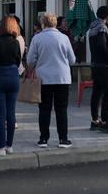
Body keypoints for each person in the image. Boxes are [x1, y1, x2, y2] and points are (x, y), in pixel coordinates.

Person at [26, 13, 76, 149]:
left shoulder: (37, 38)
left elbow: (30, 60)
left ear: (43, 23)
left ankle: (43, 138)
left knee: (44, 109)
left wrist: (32, 69)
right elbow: (72, 60)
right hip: (62, 78)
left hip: (43, 78)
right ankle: (63, 139)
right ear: (55, 23)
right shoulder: (64, 38)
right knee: (61, 109)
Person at [0, 16, 22, 156]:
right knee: (11, 111)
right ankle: (10, 145)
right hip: (13, 74)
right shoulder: (15, 42)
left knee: (1, 113)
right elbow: (18, 60)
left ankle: (1, 147)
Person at [88, 6, 108, 134]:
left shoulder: (92, 28)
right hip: (104, 65)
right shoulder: (102, 27)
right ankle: (104, 121)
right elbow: (102, 44)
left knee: (96, 93)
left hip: (95, 64)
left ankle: (95, 120)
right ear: (107, 16)